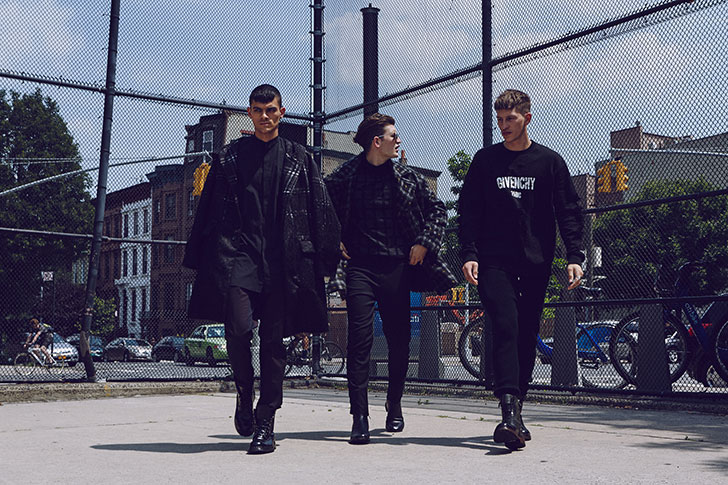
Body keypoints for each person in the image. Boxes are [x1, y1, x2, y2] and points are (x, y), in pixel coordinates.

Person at [183, 84, 341, 455]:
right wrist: (200, 256)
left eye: (271, 110)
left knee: (273, 343)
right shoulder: (230, 156)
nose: (265, 116)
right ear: (250, 113)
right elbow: (208, 209)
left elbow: (319, 206)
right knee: (238, 330)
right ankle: (243, 391)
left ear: (281, 113)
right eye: (258, 110)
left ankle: (266, 419)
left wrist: (325, 258)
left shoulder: (298, 156)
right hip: (239, 257)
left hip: (285, 262)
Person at [458, 90, 584, 451]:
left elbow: (569, 211)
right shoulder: (485, 161)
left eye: (509, 119)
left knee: (527, 333)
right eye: (499, 119)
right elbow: (469, 210)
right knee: (506, 325)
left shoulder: (549, 162)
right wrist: (469, 253)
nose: (503, 126)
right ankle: (508, 412)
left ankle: (517, 411)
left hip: (535, 261)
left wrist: (574, 256)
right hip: (493, 260)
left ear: (527, 118)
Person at [325, 113, 457, 445]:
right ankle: (359, 416)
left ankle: (394, 402)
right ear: (377, 141)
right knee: (359, 339)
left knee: (400, 340)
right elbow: (320, 206)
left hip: (398, 267)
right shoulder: (346, 175)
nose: (398, 140)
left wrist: (424, 243)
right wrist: (333, 240)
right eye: (393, 136)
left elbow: (438, 210)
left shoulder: (407, 177)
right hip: (359, 268)